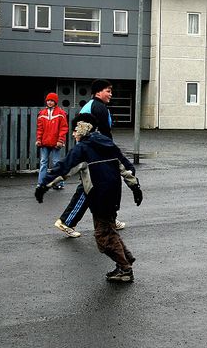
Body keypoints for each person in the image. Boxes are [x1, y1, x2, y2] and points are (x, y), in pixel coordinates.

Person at [35, 113, 143, 282]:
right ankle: (125, 260)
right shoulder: (108, 143)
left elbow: (64, 168)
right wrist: (135, 187)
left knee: (103, 236)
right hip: (113, 195)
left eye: (74, 130)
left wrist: (44, 185)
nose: (72, 134)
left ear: (82, 128)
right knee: (109, 228)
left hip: (99, 196)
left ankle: (125, 269)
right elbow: (126, 167)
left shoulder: (83, 148)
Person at [54, 79, 124, 238]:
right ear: (99, 92)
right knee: (89, 187)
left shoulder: (94, 106)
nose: (111, 94)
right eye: (108, 91)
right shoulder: (97, 108)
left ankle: (110, 220)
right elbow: (98, 134)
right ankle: (66, 221)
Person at [36, 92, 68, 189]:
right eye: (48, 100)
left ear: (55, 102)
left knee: (56, 163)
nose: (49, 102)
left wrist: (60, 140)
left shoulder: (61, 113)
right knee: (43, 163)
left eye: (52, 101)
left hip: (56, 143)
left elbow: (63, 128)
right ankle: (41, 183)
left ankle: (59, 183)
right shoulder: (42, 113)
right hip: (45, 142)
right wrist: (38, 139)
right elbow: (39, 128)